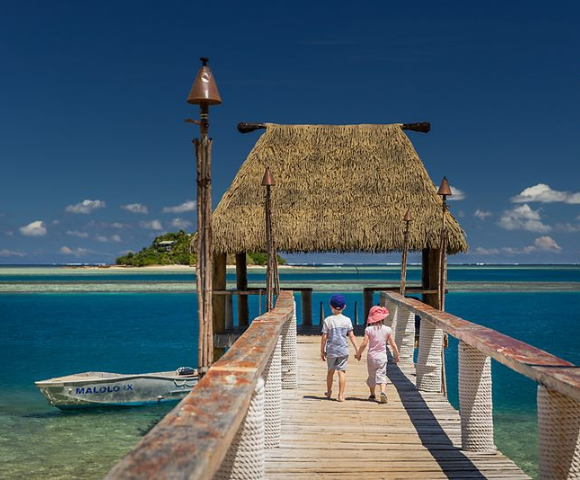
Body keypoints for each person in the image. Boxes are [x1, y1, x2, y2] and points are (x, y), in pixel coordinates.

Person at [355, 305, 399, 403]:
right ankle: (382, 392)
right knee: (382, 375)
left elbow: (364, 344)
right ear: (382, 318)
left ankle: (372, 394)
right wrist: (396, 355)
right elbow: (393, 344)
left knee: (372, 375)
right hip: (382, 357)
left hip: (371, 357)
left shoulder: (369, 330)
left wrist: (358, 354)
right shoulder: (387, 329)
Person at [320, 293, 358, 402]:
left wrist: (322, 351)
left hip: (331, 350)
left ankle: (329, 391)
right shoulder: (347, 320)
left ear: (331, 306)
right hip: (343, 350)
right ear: (344, 307)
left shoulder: (328, 320)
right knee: (342, 372)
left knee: (330, 371)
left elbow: (324, 337)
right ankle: (341, 395)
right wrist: (357, 349)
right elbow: (351, 335)